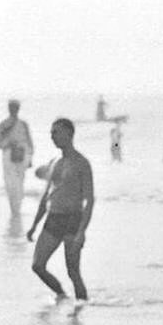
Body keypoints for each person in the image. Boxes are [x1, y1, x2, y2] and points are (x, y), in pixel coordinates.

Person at [26, 118, 94, 302]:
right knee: (37, 265)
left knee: (73, 272)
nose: (52, 137)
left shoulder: (82, 163)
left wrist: (82, 231)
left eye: (56, 132)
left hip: (73, 219)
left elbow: (89, 200)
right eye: (51, 133)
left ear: (69, 134)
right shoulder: (55, 162)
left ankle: (82, 308)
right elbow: (46, 196)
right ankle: (62, 296)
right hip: (54, 218)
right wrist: (34, 226)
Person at [0, 99, 33, 218]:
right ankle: (14, 209)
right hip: (8, 154)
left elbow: (29, 141)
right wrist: (8, 143)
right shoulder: (3, 124)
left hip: (22, 153)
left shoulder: (23, 124)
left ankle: (17, 209)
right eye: (12, 107)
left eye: (15, 108)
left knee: (20, 182)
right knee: (10, 183)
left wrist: (30, 156)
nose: (13, 110)